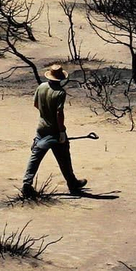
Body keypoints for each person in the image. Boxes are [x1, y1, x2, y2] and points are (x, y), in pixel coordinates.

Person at [22, 63, 87, 198]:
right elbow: (59, 113)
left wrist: (45, 114)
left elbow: (35, 104)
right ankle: (72, 183)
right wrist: (61, 131)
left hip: (41, 129)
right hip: (54, 131)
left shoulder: (41, 87)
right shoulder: (60, 93)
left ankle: (26, 184)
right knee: (64, 157)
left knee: (35, 157)